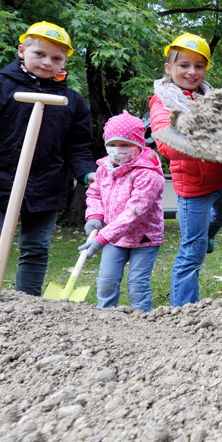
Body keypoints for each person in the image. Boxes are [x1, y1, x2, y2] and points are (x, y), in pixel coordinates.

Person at [0, 21, 94, 296]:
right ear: (21, 51)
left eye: (57, 58)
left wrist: (89, 174)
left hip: (46, 185)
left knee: (36, 248)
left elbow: (78, 147)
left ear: (65, 61)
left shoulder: (72, 101)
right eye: (39, 54)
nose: (47, 62)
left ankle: (28, 308)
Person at [150, 33, 222, 306]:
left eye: (199, 66)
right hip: (194, 189)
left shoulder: (211, 97)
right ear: (169, 68)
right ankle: (184, 311)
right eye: (184, 65)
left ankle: (206, 237)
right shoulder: (163, 101)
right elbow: (167, 143)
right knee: (192, 253)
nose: (192, 72)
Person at [81, 111, 165, 311]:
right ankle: (106, 318)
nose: (118, 150)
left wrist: (102, 238)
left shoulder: (148, 174)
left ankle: (143, 321)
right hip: (114, 238)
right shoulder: (104, 169)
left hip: (144, 238)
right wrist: (94, 216)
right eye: (112, 144)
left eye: (125, 144)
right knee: (106, 281)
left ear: (139, 145)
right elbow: (94, 193)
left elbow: (134, 214)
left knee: (137, 284)